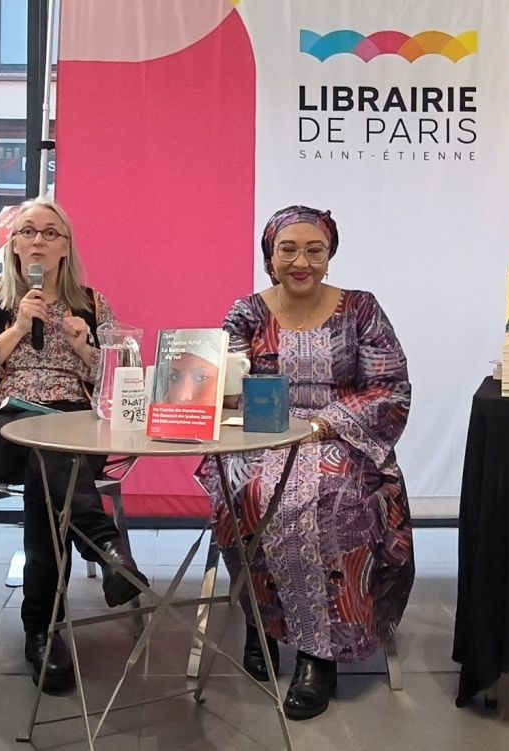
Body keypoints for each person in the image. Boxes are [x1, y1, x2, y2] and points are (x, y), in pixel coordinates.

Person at [197, 205, 414, 720]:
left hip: (340, 435)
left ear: (329, 255)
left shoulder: (361, 309)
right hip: (258, 435)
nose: (301, 261)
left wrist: (322, 424)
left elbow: (389, 386)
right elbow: (220, 383)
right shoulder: (247, 312)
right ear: (269, 257)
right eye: (288, 250)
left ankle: (320, 654)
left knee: (333, 497)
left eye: (314, 250)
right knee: (244, 490)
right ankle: (262, 625)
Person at [0, 197, 148, 694]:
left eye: (50, 233)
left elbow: (125, 382)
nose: (38, 240)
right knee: (48, 453)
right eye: (28, 231)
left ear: (66, 247)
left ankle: (41, 630)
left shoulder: (93, 304)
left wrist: (86, 348)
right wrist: (17, 329)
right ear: (14, 245)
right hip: (0, 425)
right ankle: (106, 546)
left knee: (50, 463)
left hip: (72, 427)